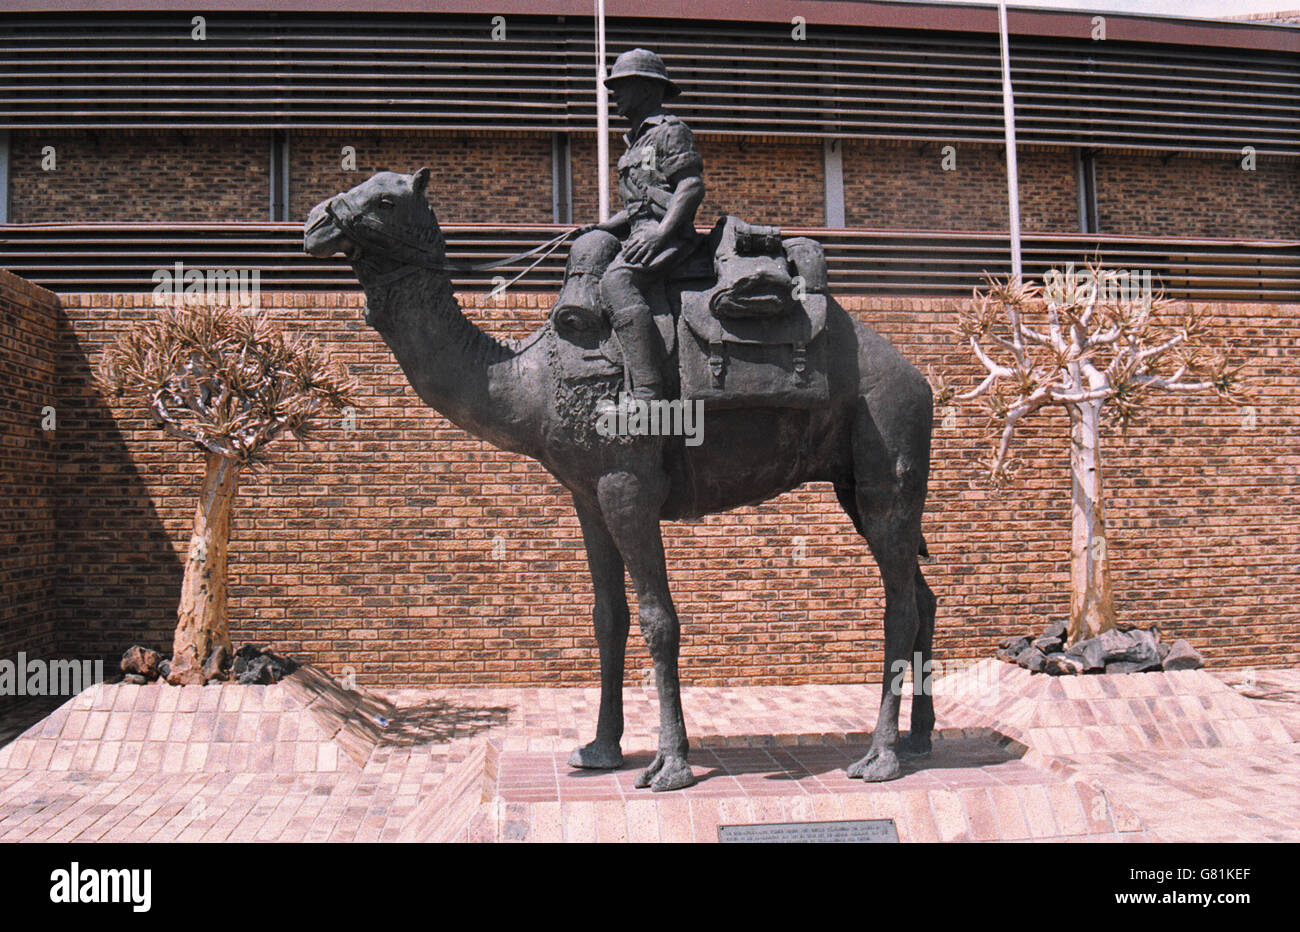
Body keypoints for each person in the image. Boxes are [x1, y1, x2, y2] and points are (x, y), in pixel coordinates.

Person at [583, 49, 705, 401]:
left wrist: (661, 232)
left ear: (648, 90)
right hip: (642, 234)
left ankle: (649, 391)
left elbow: (690, 185)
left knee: (618, 281)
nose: (615, 94)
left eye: (623, 86)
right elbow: (639, 207)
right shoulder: (634, 143)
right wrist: (601, 229)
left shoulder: (670, 131)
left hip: (670, 237)